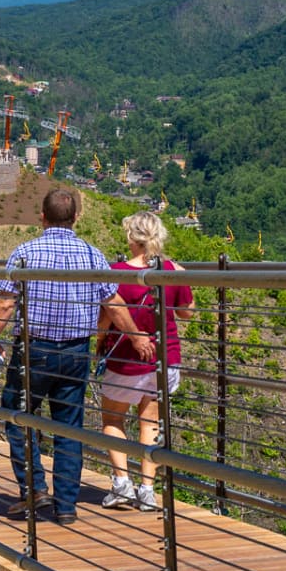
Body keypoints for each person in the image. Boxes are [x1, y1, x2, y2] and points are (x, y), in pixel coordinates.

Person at [0, 189, 153, 525]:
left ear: (42, 217)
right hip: (76, 352)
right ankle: (65, 507)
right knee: (69, 427)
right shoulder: (92, 255)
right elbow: (113, 303)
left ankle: (34, 489)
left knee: (18, 415)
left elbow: (5, 303)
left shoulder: (25, 252)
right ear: (75, 218)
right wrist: (135, 336)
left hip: (34, 351)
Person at [97, 211, 194, 512]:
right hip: (166, 357)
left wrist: (98, 343)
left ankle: (121, 485)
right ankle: (148, 490)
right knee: (149, 420)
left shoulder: (118, 272)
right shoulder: (172, 271)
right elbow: (187, 312)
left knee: (113, 419)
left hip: (126, 357)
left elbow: (105, 319)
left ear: (131, 237)